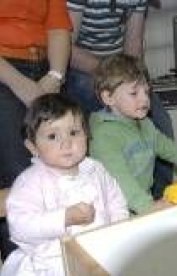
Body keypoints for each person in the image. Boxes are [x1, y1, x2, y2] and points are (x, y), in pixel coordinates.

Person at [1, 94, 129, 275]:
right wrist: (63, 218)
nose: (67, 143)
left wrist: (118, 231)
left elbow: (116, 201)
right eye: (53, 136)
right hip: (51, 264)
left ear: (87, 135)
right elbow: (20, 227)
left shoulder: (95, 169)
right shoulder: (30, 182)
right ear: (33, 147)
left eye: (74, 133)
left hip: (99, 256)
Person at [65, 0, 174, 200]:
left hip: (119, 70)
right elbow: (67, 48)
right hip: (81, 67)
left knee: (160, 122)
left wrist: (138, 81)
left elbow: (133, 44)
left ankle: (162, 199)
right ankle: (110, 199)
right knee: (102, 129)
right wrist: (112, 75)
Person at [89, 53, 177, 214]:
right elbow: (119, 179)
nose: (144, 100)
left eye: (146, 92)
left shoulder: (145, 125)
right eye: (134, 93)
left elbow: (173, 151)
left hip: (139, 205)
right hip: (114, 213)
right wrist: (147, 206)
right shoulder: (103, 136)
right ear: (108, 97)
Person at [0, 0, 72, 261]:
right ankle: (24, 263)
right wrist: (20, 84)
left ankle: (60, 258)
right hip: (4, 71)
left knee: (70, 156)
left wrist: (55, 76)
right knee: (21, 172)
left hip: (45, 69)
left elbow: (58, 26)